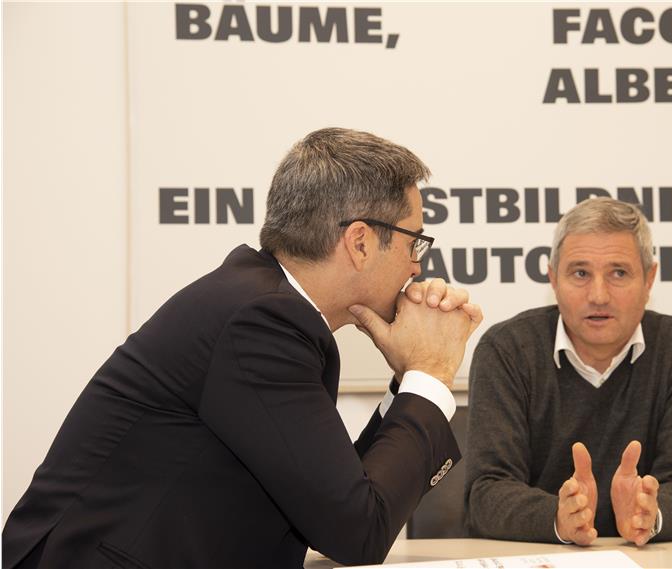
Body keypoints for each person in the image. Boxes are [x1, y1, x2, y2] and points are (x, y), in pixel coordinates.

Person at [3, 128, 483, 568]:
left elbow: (335, 501)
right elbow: (358, 530)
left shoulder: (264, 307)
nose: (417, 267)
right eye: (414, 242)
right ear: (359, 242)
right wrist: (430, 374)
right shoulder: (262, 322)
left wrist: (409, 383)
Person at [465, 197, 672, 546]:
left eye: (619, 273)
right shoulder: (507, 350)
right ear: (553, 279)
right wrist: (558, 517)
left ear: (649, 280)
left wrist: (651, 514)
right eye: (580, 273)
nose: (598, 296)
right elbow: (485, 493)